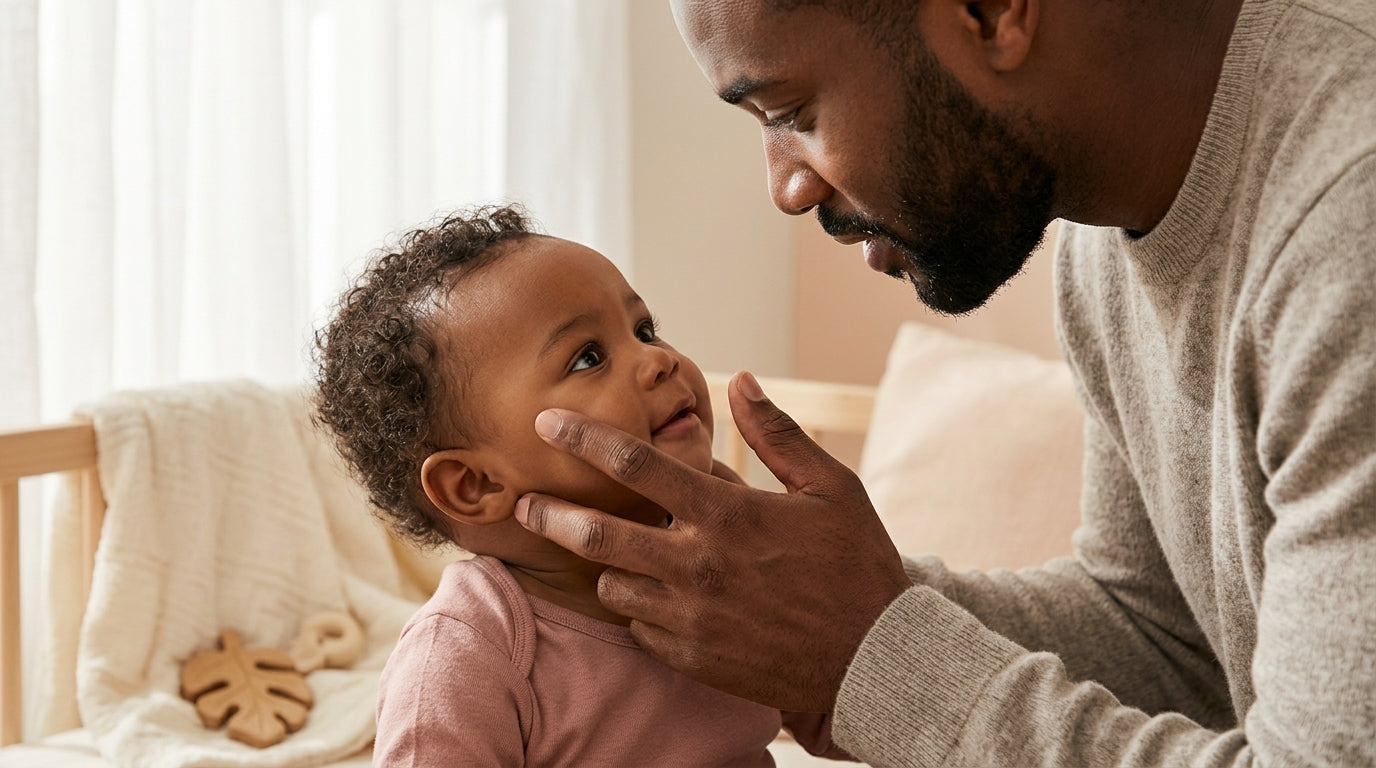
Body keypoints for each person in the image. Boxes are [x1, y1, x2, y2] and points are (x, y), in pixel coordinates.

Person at [511, 0, 1376, 765]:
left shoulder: (1349, 217)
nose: (785, 185)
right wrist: (806, 603)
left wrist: (868, 653)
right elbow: (1165, 638)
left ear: (993, 12)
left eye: (791, 111)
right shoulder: (1099, 229)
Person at [312, 205, 845, 765]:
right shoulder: (469, 651)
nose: (659, 359)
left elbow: (853, 714)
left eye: (644, 330)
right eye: (588, 358)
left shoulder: (730, 565)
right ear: (474, 484)